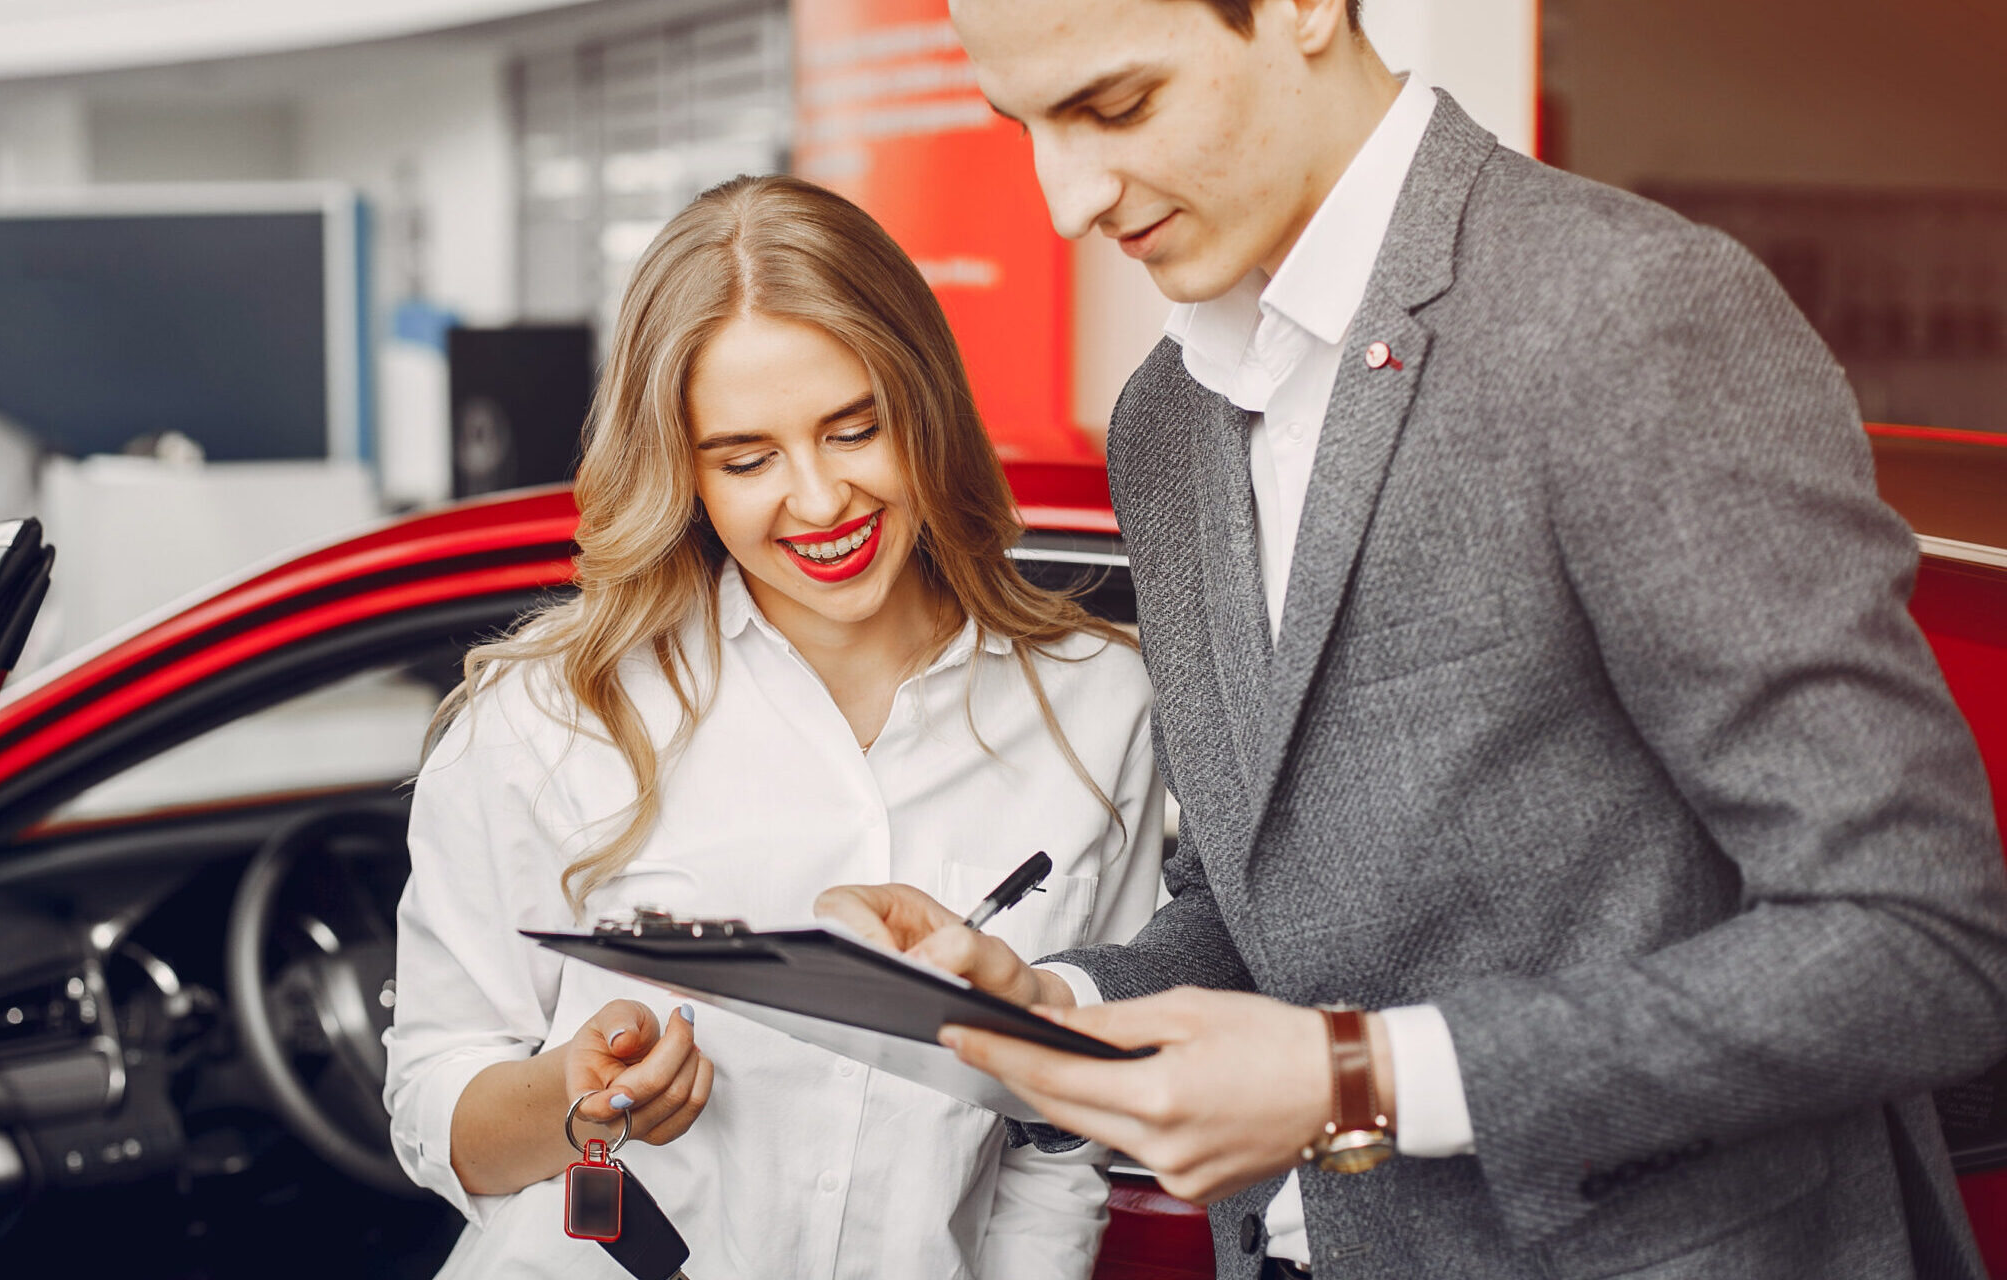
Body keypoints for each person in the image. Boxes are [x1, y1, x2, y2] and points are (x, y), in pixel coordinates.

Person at [815, 0, 2007, 1276]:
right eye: (1026, 125)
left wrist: (1357, 1082)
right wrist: (1062, 1007)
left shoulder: (1625, 316)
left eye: (1113, 106)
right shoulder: (1163, 422)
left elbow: (1919, 940)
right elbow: (1261, 907)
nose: (1065, 199)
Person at [381, 173, 1167, 1278]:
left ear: (925, 404)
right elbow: (433, 1098)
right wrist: (572, 1099)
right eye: (746, 459)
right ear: (683, 468)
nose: (816, 500)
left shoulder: (1095, 703)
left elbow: (1059, 1129)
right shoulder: (551, 711)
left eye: (854, 430)